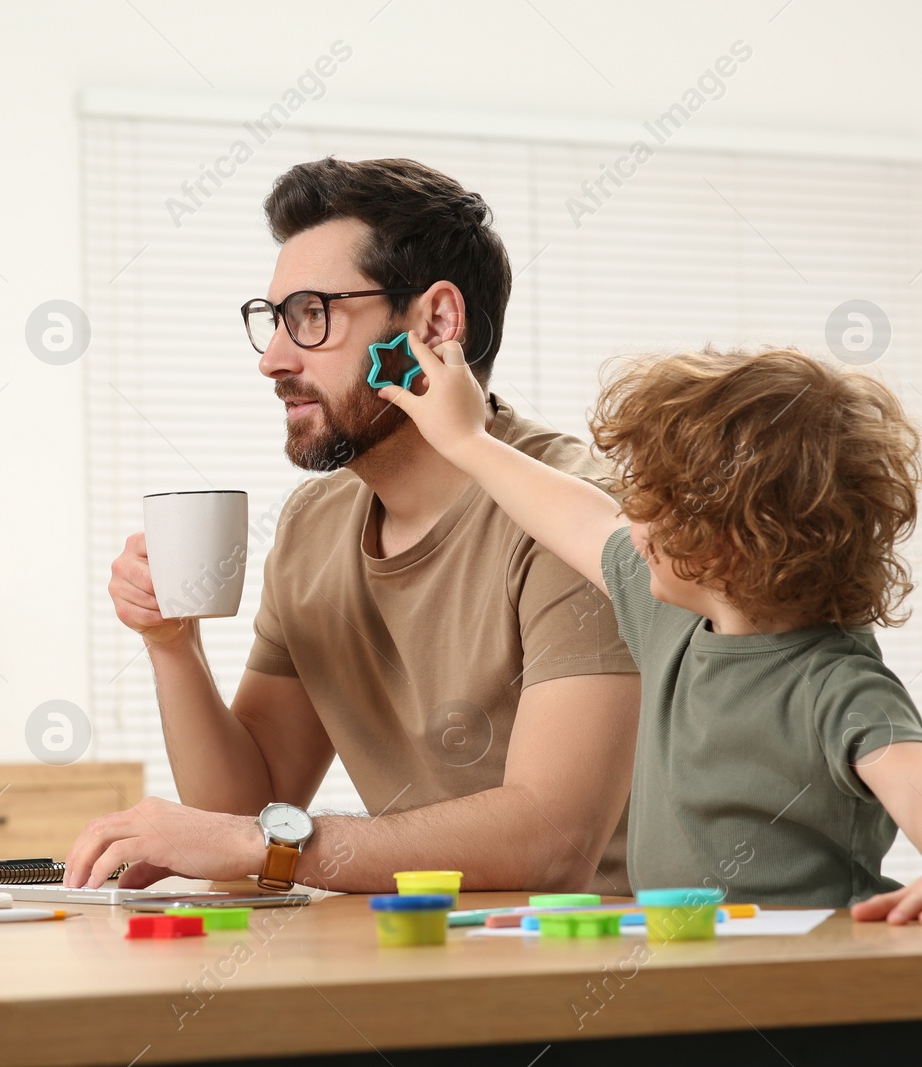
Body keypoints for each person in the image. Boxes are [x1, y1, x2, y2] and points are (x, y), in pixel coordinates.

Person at [64, 158, 642, 893]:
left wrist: (256, 841)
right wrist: (173, 647)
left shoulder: (578, 521)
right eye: (273, 321)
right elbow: (245, 816)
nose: (274, 360)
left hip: (610, 971)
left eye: (312, 315)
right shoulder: (314, 526)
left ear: (435, 321)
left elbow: (552, 841)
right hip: (424, 955)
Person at [378, 336, 922, 921]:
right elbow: (576, 517)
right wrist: (467, 441)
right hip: (686, 956)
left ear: (728, 546)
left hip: (812, 978)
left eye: (653, 507)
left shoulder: (835, 681)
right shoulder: (674, 615)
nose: (631, 520)